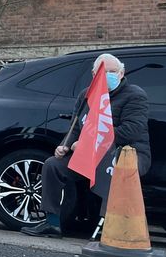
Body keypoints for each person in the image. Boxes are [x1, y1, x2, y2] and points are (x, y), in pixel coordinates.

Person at [21, 54, 150, 238]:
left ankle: (107, 229)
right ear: (93, 75)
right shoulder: (86, 95)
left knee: (113, 169)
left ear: (122, 73)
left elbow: (132, 131)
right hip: (89, 154)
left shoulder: (135, 95)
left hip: (126, 152)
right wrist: (65, 145)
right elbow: (76, 126)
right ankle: (52, 223)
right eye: (102, 72)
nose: (107, 75)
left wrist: (89, 143)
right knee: (53, 165)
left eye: (112, 72)